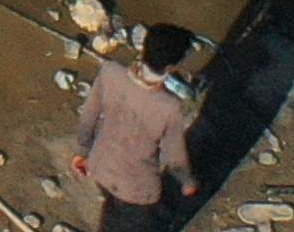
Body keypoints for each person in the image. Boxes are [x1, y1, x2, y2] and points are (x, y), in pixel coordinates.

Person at [76, 26, 203, 231]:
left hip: (101, 166)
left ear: (143, 49)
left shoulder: (110, 73)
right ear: (171, 67)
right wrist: (187, 181)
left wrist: (82, 152)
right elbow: (175, 157)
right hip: (137, 189)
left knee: (111, 208)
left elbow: (88, 117)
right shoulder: (169, 107)